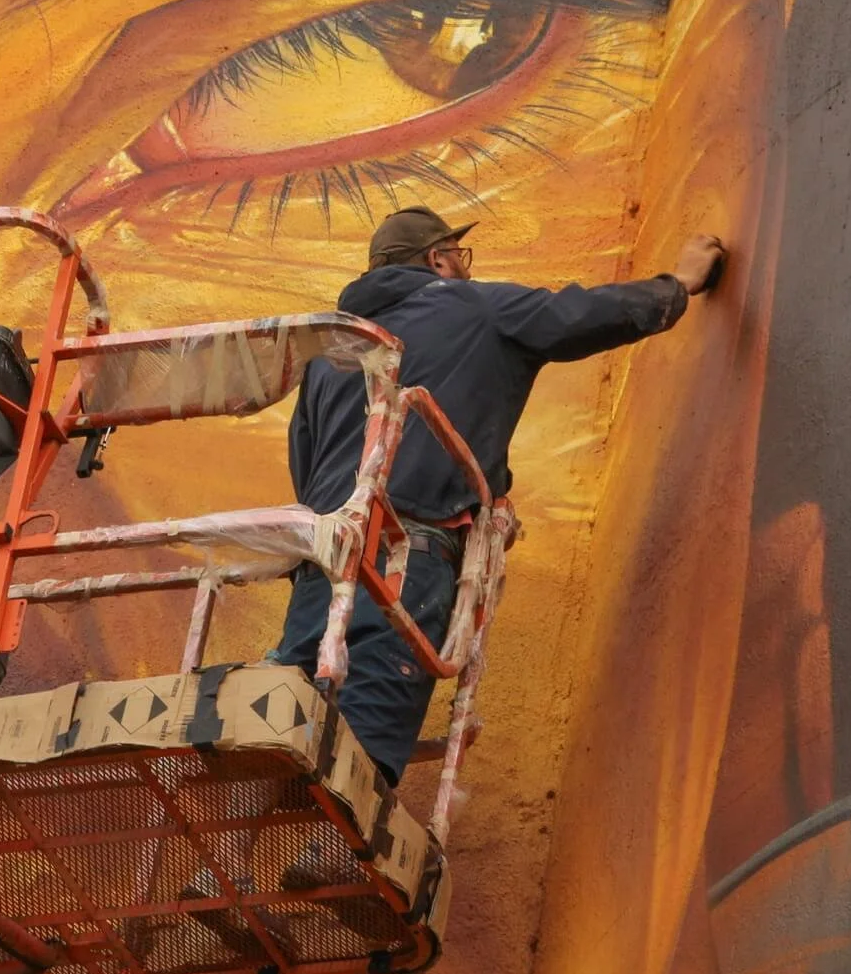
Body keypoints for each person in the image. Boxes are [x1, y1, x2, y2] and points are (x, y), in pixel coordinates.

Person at [273, 204, 729, 785]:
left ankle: (231, 855)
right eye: (457, 257)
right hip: (408, 547)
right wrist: (678, 285)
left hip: (323, 552)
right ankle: (331, 852)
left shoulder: (332, 345)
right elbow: (577, 314)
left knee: (297, 701)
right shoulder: (472, 306)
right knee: (377, 693)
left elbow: (304, 458)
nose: (463, 268)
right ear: (438, 259)